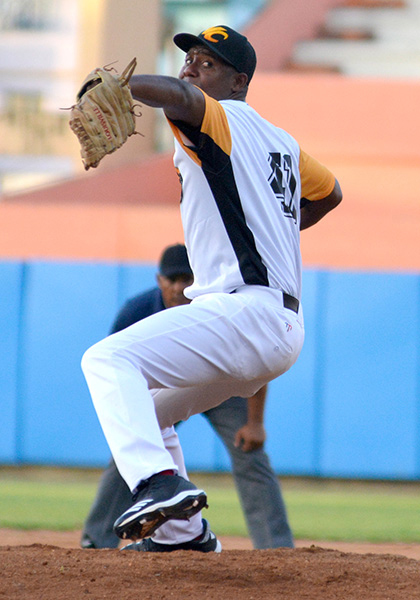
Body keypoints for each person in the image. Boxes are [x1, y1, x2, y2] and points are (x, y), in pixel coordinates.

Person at [81, 25, 342, 553]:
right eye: (190, 58)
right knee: (152, 410)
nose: (192, 67)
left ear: (239, 80)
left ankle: (158, 483)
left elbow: (181, 97)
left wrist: (127, 87)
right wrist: (269, 221)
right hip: (278, 327)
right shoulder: (281, 142)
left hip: (243, 313)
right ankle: (185, 535)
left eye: (209, 62)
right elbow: (331, 193)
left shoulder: (223, 117)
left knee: (106, 362)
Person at [80, 244, 294, 550]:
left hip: (224, 384)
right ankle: (97, 540)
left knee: (251, 457)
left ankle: (277, 548)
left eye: (187, 278)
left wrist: (256, 422)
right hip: (164, 386)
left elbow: (255, 361)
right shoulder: (138, 310)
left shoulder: (216, 304)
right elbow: (117, 375)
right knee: (133, 455)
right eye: (173, 278)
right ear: (159, 281)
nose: (181, 286)